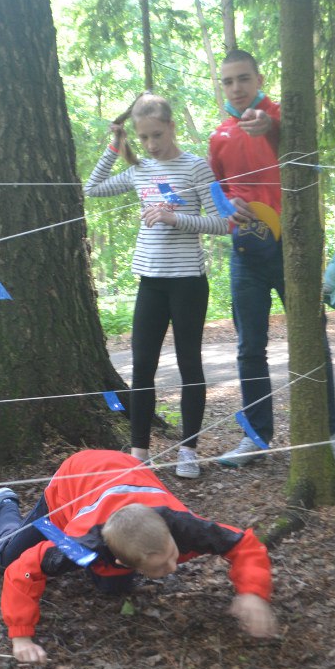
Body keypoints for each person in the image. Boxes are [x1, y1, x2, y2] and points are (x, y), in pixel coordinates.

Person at [0, 449, 277, 663]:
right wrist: (21, 638)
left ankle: (114, 571)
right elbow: (23, 571)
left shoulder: (184, 527)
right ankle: (2, 506)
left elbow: (243, 544)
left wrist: (252, 593)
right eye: (161, 566)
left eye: (172, 555)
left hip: (122, 470)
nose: (172, 567)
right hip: (73, 482)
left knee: (112, 587)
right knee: (6, 556)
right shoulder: (76, 547)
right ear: (123, 560)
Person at [208, 50, 335, 470]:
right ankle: (256, 437)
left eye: (244, 78)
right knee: (249, 347)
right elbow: (216, 190)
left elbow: (304, 156)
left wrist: (272, 128)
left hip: (292, 248)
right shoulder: (219, 136)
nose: (236, 88)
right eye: (228, 81)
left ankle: (330, 433)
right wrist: (227, 205)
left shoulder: (282, 118)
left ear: (259, 79)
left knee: (312, 338)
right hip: (246, 252)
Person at [84, 94, 230, 479]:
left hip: (188, 283)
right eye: (144, 137)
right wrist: (115, 146)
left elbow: (223, 223)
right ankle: (139, 455)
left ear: (172, 127)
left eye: (157, 135)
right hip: (150, 282)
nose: (151, 144)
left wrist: (175, 218)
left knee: (189, 364)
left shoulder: (196, 167)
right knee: (142, 366)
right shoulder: (140, 170)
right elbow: (92, 188)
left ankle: (188, 450)